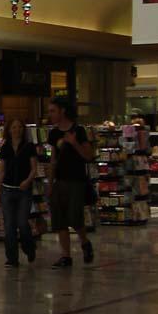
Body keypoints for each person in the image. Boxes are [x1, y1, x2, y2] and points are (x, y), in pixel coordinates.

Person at [47, 99, 95, 268]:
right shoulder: (53, 134)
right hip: (60, 180)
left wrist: (74, 143)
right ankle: (66, 256)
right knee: (59, 219)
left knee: (75, 218)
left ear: (63, 111)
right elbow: (53, 160)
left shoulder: (79, 131)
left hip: (76, 181)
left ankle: (84, 242)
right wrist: (50, 182)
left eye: (53, 111)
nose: (50, 114)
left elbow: (88, 156)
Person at [0, 118, 38, 268]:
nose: (16, 130)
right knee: (9, 226)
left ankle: (29, 247)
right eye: (14, 127)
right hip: (7, 190)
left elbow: (34, 168)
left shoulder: (29, 147)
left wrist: (27, 181)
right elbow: (1, 171)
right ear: (9, 130)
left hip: (23, 191)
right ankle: (12, 258)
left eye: (19, 127)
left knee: (22, 222)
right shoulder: (5, 147)